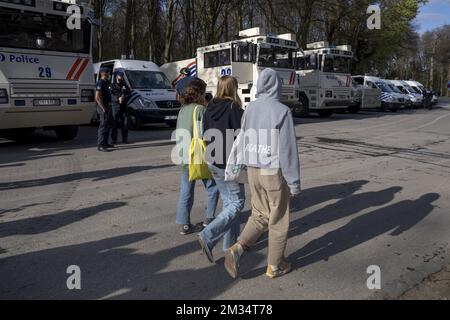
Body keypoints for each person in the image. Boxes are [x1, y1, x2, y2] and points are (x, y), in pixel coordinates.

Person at [224, 68, 301, 279]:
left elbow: (244, 138)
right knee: (278, 218)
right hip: (272, 170)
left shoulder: (251, 108)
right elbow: (287, 150)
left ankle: (237, 248)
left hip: (253, 169)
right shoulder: (281, 110)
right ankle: (275, 265)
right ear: (277, 85)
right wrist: (294, 182)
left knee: (259, 214)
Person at [198, 76, 246, 263]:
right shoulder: (234, 109)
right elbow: (244, 135)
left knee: (229, 203)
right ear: (234, 88)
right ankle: (208, 235)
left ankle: (230, 245)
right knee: (237, 203)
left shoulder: (210, 106)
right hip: (229, 164)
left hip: (213, 161)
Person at [175, 78, 219, 235]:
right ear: (199, 94)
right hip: (198, 155)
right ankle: (209, 219)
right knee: (212, 186)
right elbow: (203, 134)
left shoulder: (182, 109)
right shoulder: (199, 110)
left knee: (186, 189)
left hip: (184, 155)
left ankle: (184, 224)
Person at [95, 68, 114, 152]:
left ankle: (105, 142)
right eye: (108, 73)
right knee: (103, 126)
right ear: (103, 73)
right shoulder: (100, 82)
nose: (109, 74)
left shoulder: (106, 82)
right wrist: (103, 108)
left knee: (107, 124)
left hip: (108, 106)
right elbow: (97, 97)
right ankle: (100, 145)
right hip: (102, 107)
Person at [110, 71, 131, 144]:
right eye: (120, 76)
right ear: (116, 77)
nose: (121, 77)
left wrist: (124, 97)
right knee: (114, 124)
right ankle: (114, 140)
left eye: (122, 76)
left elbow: (129, 93)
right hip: (115, 107)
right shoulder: (112, 85)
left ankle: (125, 139)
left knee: (125, 123)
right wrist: (118, 98)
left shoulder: (124, 85)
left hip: (123, 107)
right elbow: (111, 96)